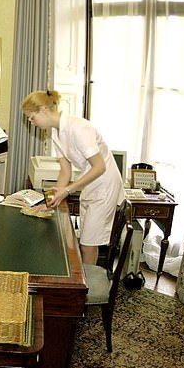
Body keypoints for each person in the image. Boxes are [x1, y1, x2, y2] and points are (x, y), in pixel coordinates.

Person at [22, 89, 125, 265]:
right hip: (91, 182)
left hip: (105, 183)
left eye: (32, 117)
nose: (31, 123)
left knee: (87, 244)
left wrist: (68, 190)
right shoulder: (55, 133)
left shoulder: (78, 127)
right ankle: (84, 280)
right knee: (87, 237)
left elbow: (100, 166)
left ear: (44, 109)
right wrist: (50, 201)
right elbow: (65, 171)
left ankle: (86, 288)